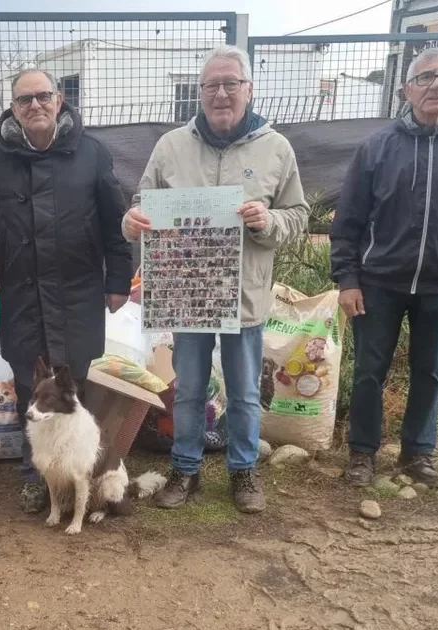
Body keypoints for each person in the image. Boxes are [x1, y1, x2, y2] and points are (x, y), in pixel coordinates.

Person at [123, 46, 308, 514]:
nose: (221, 93)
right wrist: (133, 221)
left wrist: (268, 221)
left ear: (249, 89)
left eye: (231, 83)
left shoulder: (276, 148)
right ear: (199, 93)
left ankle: (243, 471)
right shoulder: (170, 147)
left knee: (244, 392)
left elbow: (299, 215)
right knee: (188, 387)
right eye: (211, 85)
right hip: (188, 294)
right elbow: (142, 204)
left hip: (244, 297)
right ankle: (184, 471)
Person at [331, 47, 438, 488]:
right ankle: (362, 453)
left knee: (430, 369)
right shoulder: (377, 147)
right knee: (369, 370)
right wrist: (347, 279)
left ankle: (417, 454)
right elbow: (347, 220)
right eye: (427, 77)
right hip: (379, 282)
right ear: (407, 89)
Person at [0, 68, 133, 514]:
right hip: (23, 294)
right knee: (30, 384)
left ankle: (76, 472)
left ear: (59, 100)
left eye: (42, 96)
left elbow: (112, 219)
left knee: (71, 384)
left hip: (78, 291)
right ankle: (35, 476)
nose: (34, 106)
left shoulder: (91, 154)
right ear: (13, 108)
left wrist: (118, 280)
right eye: (24, 100)